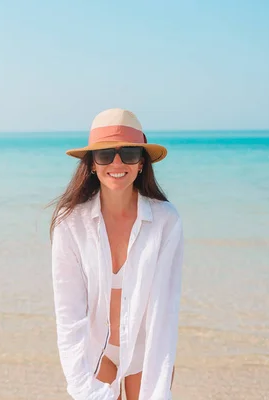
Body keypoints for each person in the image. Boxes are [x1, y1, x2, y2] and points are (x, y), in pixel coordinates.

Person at [49, 108, 184, 400]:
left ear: (141, 164)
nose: (117, 163)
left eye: (130, 154)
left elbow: (165, 307)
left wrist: (160, 375)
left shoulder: (166, 220)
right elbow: (68, 312)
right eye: (105, 154)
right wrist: (79, 381)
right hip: (96, 347)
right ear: (93, 165)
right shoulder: (70, 223)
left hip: (147, 348)